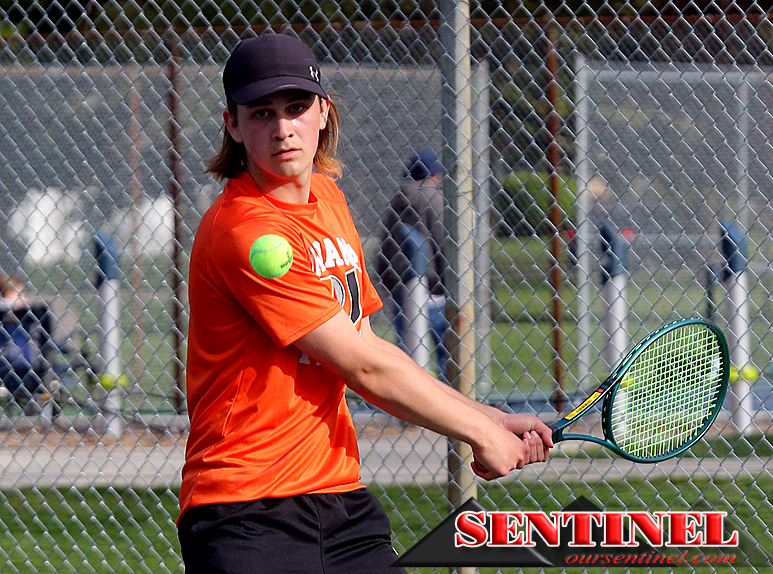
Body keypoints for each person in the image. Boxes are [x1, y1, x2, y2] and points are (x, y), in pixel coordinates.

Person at [178, 33, 553, 574]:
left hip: (338, 498)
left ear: (323, 112)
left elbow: (369, 346)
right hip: (245, 511)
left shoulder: (328, 196)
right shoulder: (246, 233)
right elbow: (361, 365)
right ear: (233, 126)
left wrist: (492, 417)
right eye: (261, 113)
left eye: (296, 107)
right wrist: (478, 433)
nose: (282, 128)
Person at [377, 148, 448, 380]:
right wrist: (448, 279)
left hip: (401, 284)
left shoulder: (398, 199)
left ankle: (406, 401)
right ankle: (450, 398)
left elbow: (385, 244)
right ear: (433, 175)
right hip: (433, 284)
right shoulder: (433, 197)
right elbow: (441, 240)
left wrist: (388, 279)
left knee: (406, 345)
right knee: (444, 348)